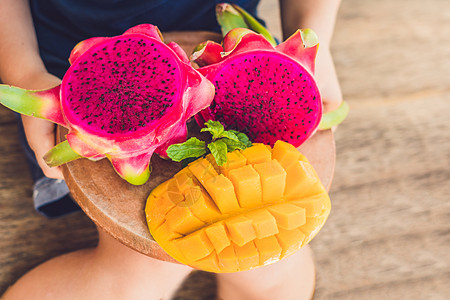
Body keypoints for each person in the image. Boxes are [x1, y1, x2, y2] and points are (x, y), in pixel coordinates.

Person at [0, 0, 342, 299]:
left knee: (272, 272)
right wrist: (26, 72)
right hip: (73, 84)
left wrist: (315, 38)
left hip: (246, 59)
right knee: (136, 278)